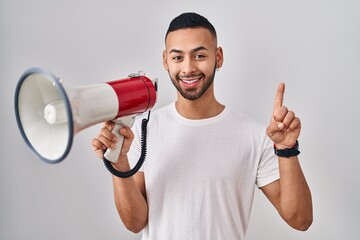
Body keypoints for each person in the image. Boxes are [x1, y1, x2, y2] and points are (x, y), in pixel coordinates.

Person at [92, 12, 313, 240]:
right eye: (178, 58)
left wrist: (287, 150)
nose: (188, 68)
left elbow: (300, 219)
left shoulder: (254, 135)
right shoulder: (143, 129)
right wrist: (119, 164)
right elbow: (135, 222)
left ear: (218, 57)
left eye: (199, 55)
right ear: (165, 61)